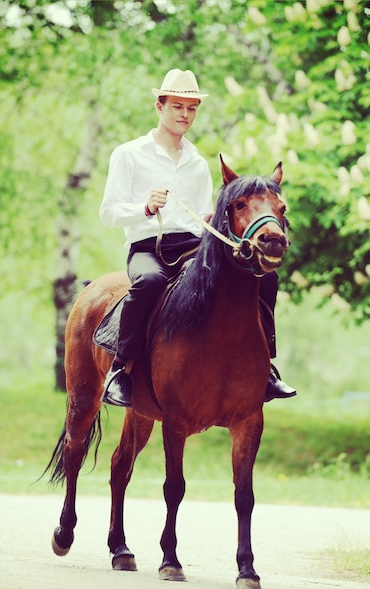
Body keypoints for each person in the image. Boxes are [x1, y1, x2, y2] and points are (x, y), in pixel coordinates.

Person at [99, 68, 296, 407]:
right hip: (149, 247)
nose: (185, 115)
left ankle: (267, 369)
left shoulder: (197, 162)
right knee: (148, 281)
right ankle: (121, 370)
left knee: (263, 278)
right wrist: (145, 208)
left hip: (194, 246)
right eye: (178, 107)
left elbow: (204, 212)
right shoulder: (129, 154)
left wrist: (210, 221)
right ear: (159, 106)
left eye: (191, 108)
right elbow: (109, 212)